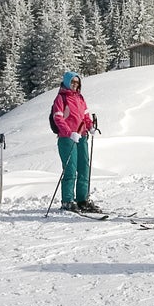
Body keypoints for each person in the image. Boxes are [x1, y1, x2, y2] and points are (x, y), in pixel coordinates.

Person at [52, 71, 101, 213]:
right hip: (67, 139)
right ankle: (67, 200)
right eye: (72, 82)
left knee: (84, 168)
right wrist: (69, 133)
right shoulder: (61, 98)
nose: (75, 84)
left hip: (82, 137)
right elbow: (58, 118)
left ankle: (82, 199)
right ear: (67, 82)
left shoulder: (80, 98)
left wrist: (90, 126)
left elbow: (85, 115)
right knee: (70, 169)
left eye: (77, 82)